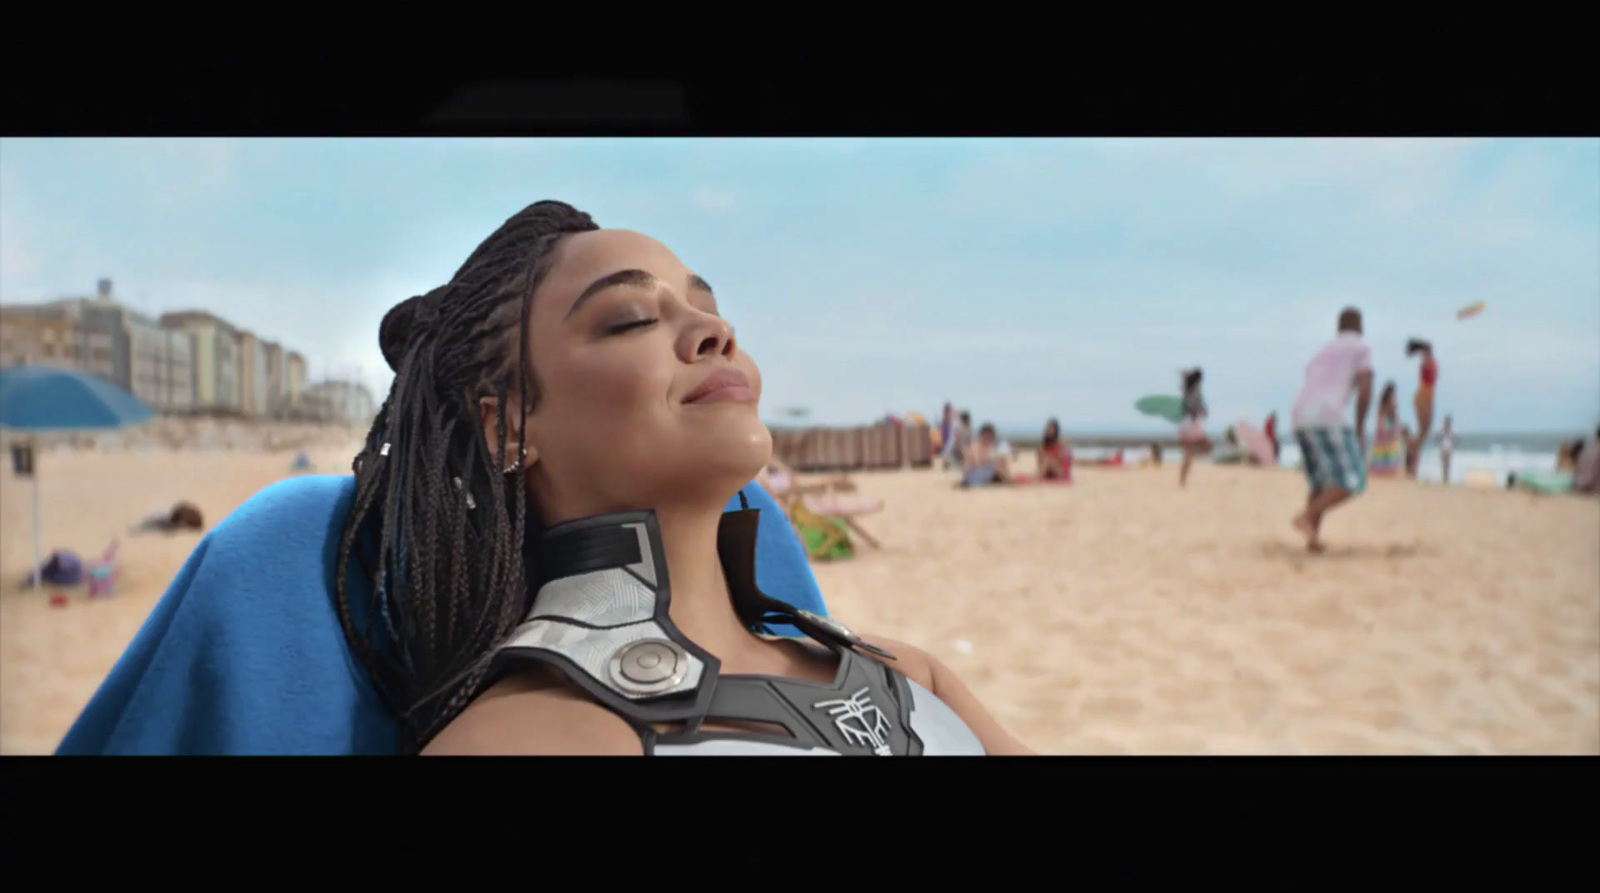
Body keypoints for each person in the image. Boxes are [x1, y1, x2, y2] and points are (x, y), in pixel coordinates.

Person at [329, 200, 1027, 756]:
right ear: (508, 427)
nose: (713, 333)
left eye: (711, 310)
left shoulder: (910, 673)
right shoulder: (525, 739)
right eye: (631, 318)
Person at [1290, 307, 1374, 553]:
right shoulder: (1361, 348)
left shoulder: (1322, 352)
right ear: (1360, 327)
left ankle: (1312, 540)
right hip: (1328, 415)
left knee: (1320, 482)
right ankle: (1306, 517)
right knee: (1352, 481)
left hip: (1300, 416)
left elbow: (1311, 380)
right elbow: (1366, 386)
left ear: (1338, 328)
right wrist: (1359, 427)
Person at [1405, 338, 1438, 478]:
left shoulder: (1430, 362)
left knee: (1422, 434)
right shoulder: (1426, 362)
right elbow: (1426, 370)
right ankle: (1412, 466)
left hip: (1427, 395)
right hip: (1424, 396)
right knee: (1422, 433)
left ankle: (1412, 465)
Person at [1177, 368, 1211, 487]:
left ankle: (1183, 479)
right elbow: (1194, 406)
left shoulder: (1188, 391)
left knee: (1188, 455)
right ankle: (1183, 478)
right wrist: (1202, 412)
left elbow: (1190, 405)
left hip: (1188, 423)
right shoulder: (1195, 391)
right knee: (1205, 448)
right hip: (1193, 423)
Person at [1368, 383, 1404, 478]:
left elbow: (1396, 427)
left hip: (1388, 444)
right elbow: (1384, 427)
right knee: (1383, 471)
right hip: (1384, 444)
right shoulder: (1384, 410)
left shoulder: (1388, 409)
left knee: (1388, 471)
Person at [1437, 416, 1456, 483]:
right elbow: (1437, 439)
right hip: (1443, 449)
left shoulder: (1451, 432)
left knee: (1447, 464)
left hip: (1448, 449)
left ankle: (1446, 478)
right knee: (1444, 464)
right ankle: (1445, 478)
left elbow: (1454, 439)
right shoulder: (1442, 431)